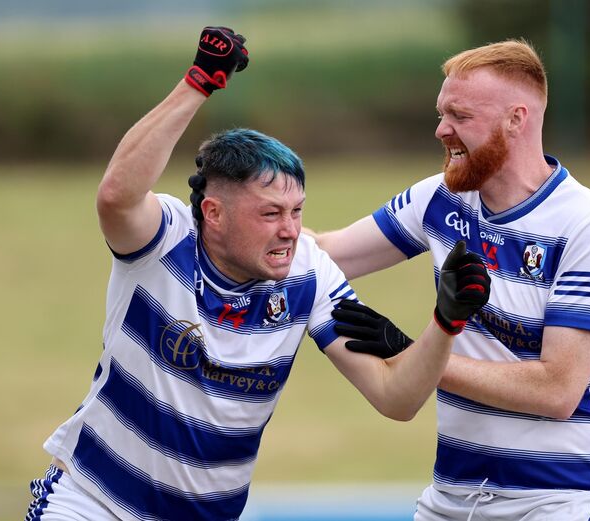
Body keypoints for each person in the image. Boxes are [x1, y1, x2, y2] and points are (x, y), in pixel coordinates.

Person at [24, 26, 491, 521]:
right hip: (91, 504)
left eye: (297, 211)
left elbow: (396, 398)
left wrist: (445, 324)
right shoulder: (163, 238)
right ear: (214, 212)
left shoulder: (309, 274)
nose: (292, 231)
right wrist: (199, 81)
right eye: (270, 214)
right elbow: (116, 196)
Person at [309, 39, 590, 520]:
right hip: (453, 496)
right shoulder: (440, 199)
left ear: (516, 120)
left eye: (459, 116)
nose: (441, 130)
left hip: (561, 498)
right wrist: (227, 223)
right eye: (441, 114)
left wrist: (411, 353)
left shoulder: (587, 226)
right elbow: (328, 252)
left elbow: (556, 390)